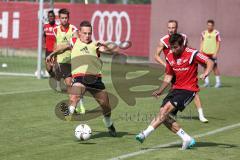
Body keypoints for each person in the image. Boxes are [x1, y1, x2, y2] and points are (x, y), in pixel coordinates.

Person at [136, 33, 213, 149]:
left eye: (175, 47)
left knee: (165, 110)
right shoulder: (170, 56)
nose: (173, 50)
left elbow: (209, 62)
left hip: (188, 90)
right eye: (171, 47)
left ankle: (144, 134)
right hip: (175, 89)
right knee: (164, 115)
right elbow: (168, 75)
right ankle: (186, 138)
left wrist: (206, 73)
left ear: (182, 45)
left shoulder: (192, 53)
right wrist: (160, 90)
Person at [47, 20, 117, 137]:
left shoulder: (95, 45)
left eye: (89, 33)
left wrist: (106, 46)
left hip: (96, 79)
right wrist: (52, 54)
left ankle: (108, 123)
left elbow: (112, 51)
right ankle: (68, 112)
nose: (87, 36)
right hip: (80, 77)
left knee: (106, 107)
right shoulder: (74, 41)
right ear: (79, 33)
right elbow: (63, 49)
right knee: (75, 96)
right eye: (85, 33)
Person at [155, 20, 208, 123]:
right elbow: (156, 56)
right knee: (174, 90)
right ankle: (170, 112)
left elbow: (187, 50)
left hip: (183, 68)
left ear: (177, 28)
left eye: (173, 27)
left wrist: (196, 61)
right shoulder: (163, 40)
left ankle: (201, 114)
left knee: (193, 90)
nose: (171, 30)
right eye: (169, 28)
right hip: (173, 69)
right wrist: (167, 65)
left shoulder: (183, 37)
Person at [52, 8, 85, 114]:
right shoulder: (55, 30)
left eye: (66, 18)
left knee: (74, 84)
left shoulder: (73, 29)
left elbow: (75, 43)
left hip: (74, 61)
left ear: (68, 18)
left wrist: (66, 46)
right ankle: (76, 105)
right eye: (62, 18)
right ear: (59, 18)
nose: (64, 20)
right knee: (69, 85)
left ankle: (75, 106)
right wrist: (54, 55)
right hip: (63, 62)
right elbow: (55, 46)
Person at [200, 19, 221, 88]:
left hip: (212, 54)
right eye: (208, 25)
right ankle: (207, 82)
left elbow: (218, 43)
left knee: (214, 67)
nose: (209, 27)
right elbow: (202, 42)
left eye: (211, 25)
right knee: (205, 67)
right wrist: (200, 51)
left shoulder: (216, 33)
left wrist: (216, 53)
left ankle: (218, 83)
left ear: (213, 26)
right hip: (205, 53)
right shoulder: (203, 33)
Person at [43, 10, 57, 77]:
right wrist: (44, 45)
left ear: (54, 17)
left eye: (52, 16)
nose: (50, 18)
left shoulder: (57, 27)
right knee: (48, 68)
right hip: (47, 50)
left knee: (54, 68)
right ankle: (54, 77)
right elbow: (44, 36)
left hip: (55, 51)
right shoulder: (45, 26)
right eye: (49, 16)